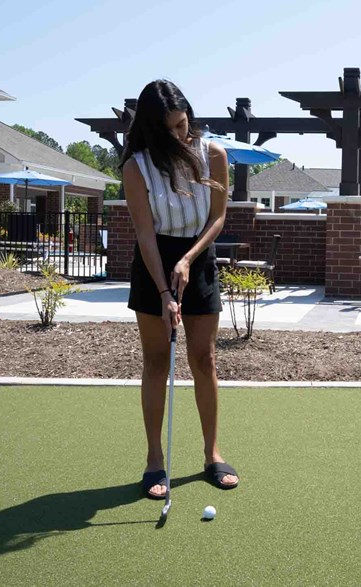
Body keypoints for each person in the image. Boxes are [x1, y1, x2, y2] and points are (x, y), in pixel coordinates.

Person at [119, 79, 239, 499]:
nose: (180, 135)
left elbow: (218, 219)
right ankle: (155, 460)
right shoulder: (137, 167)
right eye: (169, 128)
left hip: (198, 256)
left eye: (183, 124)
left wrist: (188, 260)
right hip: (153, 261)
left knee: (204, 359)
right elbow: (145, 234)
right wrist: (166, 293)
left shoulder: (214, 155)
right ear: (152, 128)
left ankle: (212, 454)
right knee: (155, 361)